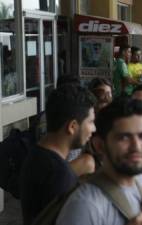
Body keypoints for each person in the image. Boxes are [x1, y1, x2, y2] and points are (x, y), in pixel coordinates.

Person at [56, 98, 142, 225]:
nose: (137, 146)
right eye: (124, 137)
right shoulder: (84, 205)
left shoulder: (140, 181)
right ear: (99, 146)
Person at [20, 85, 96, 225]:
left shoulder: (37, 154)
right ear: (72, 126)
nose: (94, 128)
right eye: (90, 122)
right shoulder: (60, 174)